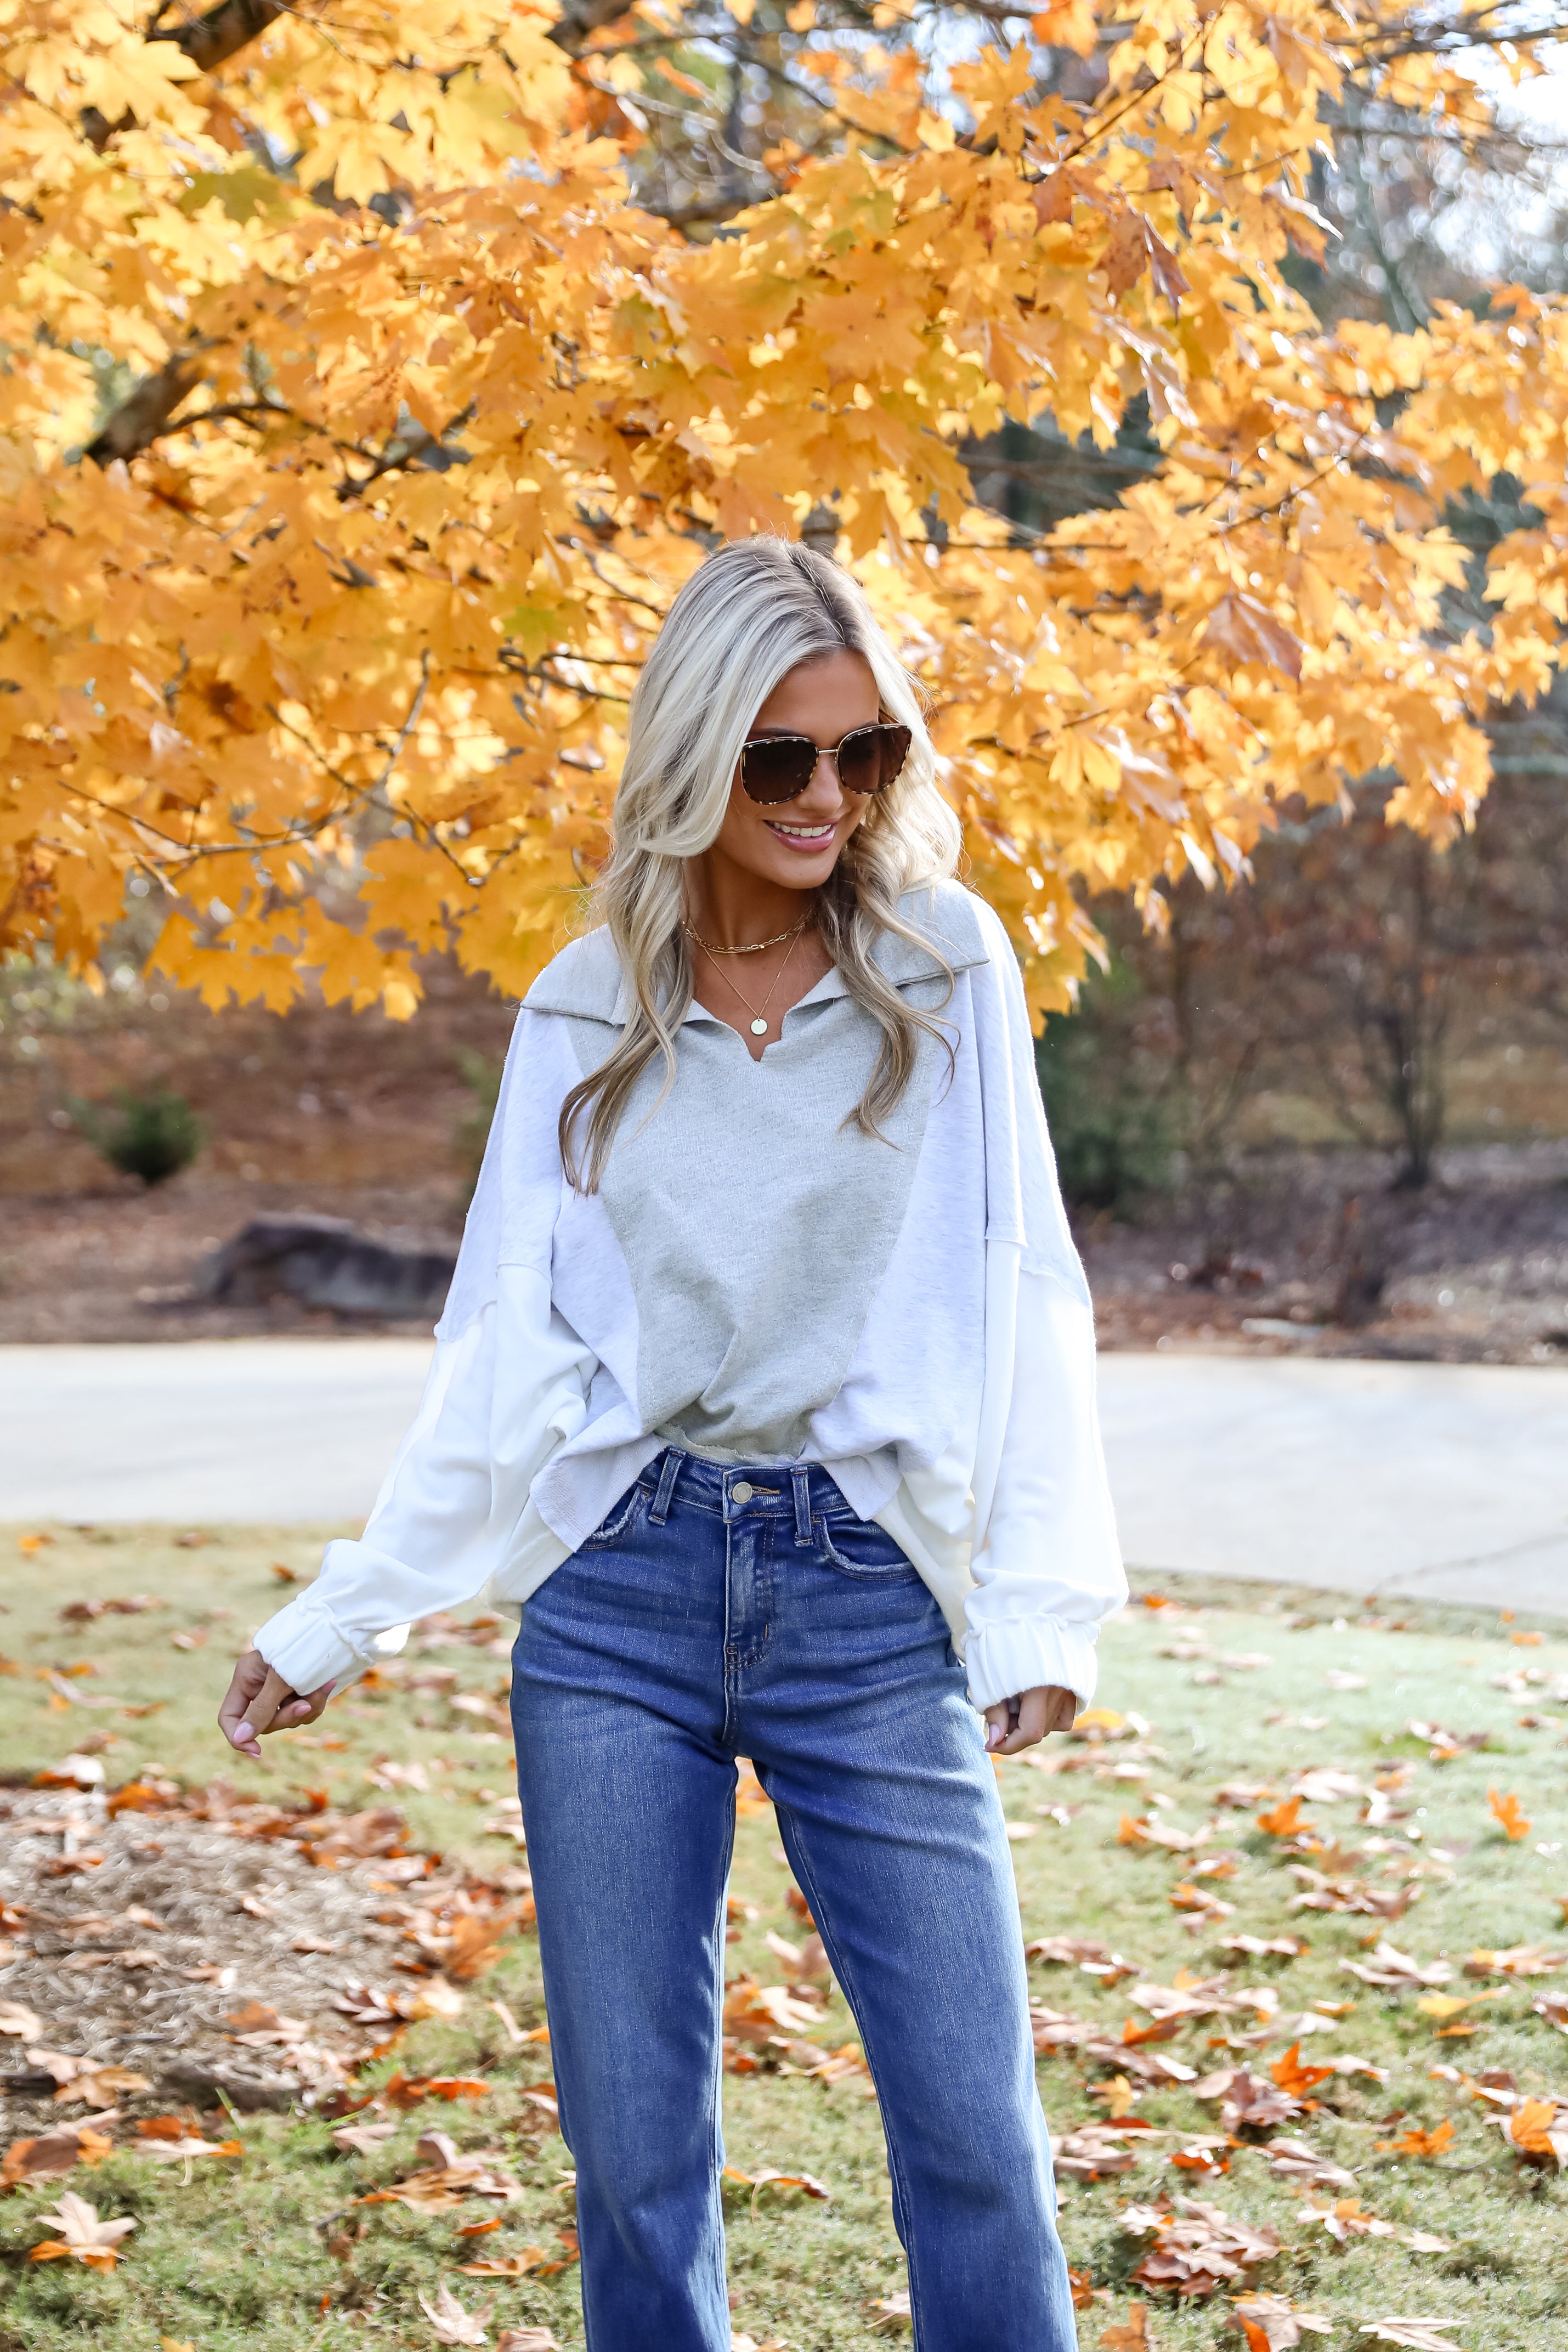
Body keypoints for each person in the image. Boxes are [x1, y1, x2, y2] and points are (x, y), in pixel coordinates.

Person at [217, 536, 1126, 2351]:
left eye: (864, 752)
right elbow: (504, 1342)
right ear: (694, 754)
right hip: (616, 1603)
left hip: (869, 1597)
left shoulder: (943, 965)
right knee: (634, 2155)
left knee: (974, 2132)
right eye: (780, 755)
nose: (825, 795)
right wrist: (351, 1609)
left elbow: (1020, 1281)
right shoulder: (582, 1004)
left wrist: (1039, 1605)